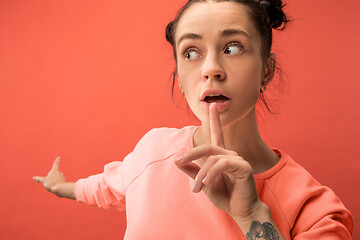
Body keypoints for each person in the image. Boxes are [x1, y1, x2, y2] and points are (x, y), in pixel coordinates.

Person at [33, 0, 353, 239]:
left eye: (232, 47)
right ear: (181, 81)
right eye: (190, 52)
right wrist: (60, 186)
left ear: (266, 69)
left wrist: (252, 215)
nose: (210, 68)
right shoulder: (153, 151)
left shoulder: (315, 210)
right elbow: (104, 187)